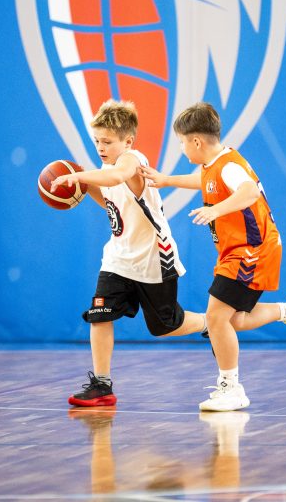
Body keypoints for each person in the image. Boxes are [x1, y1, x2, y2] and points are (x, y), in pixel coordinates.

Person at [141, 102, 286, 412]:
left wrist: (216, 210)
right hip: (240, 250)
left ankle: (231, 388)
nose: (181, 148)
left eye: (182, 142)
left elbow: (249, 192)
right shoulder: (215, 165)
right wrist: (167, 180)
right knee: (234, 320)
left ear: (196, 141)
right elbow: (204, 182)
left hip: (253, 250)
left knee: (215, 317)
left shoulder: (229, 166)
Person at [50, 100, 208, 407]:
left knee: (165, 326)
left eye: (107, 142)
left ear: (128, 141)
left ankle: (208, 324)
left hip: (153, 258)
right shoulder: (107, 169)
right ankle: (102, 384)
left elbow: (116, 177)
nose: (100, 147)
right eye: (97, 141)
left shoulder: (133, 161)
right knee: (99, 315)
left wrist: (80, 177)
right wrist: (81, 188)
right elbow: (111, 202)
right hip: (118, 258)